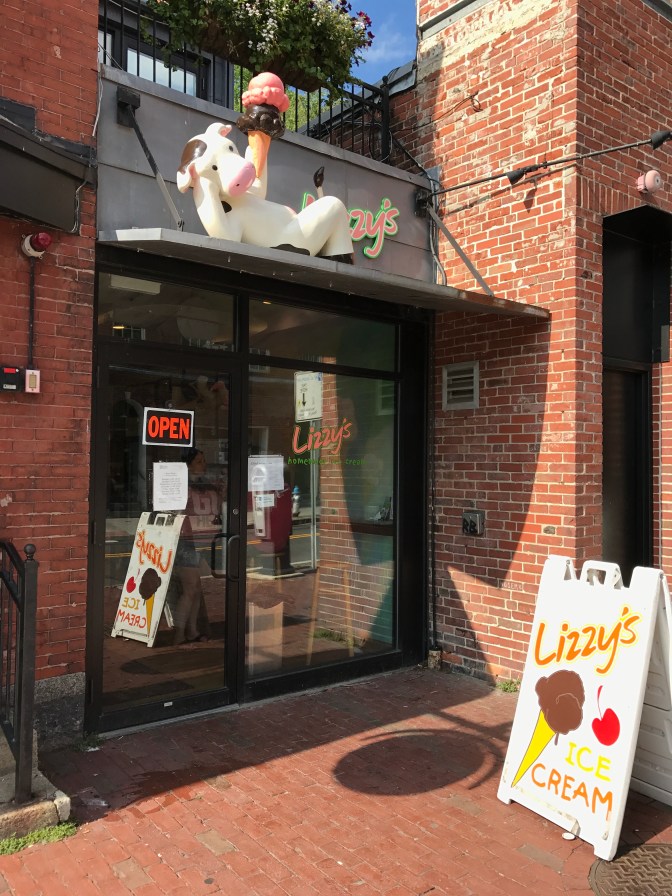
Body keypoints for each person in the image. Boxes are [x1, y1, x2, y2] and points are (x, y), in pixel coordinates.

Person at [172, 448, 220, 646]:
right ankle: (179, 633)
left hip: (204, 540)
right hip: (187, 541)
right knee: (190, 589)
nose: (204, 464)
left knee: (197, 589)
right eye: (199, 461)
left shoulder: (206, 485)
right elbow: (175, 511)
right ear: (188, 465)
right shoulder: (182, 486)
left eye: (204, 460)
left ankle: (191, 630)